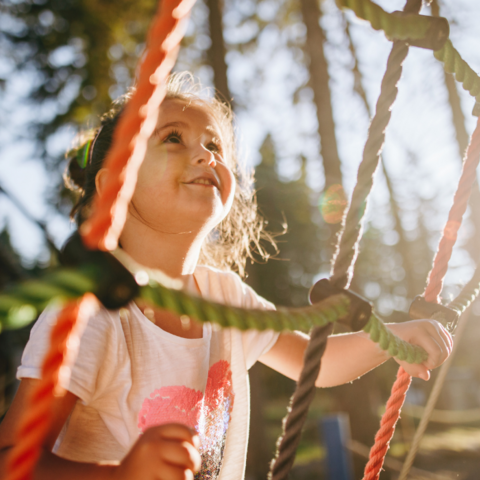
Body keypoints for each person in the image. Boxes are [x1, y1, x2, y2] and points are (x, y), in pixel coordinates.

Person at [0, 73, 452, 480]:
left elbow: (316, 364)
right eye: (173, 138)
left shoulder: (224, 295)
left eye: (214, 146)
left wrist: (389, 337)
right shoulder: (92, 315)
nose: (204, 154)